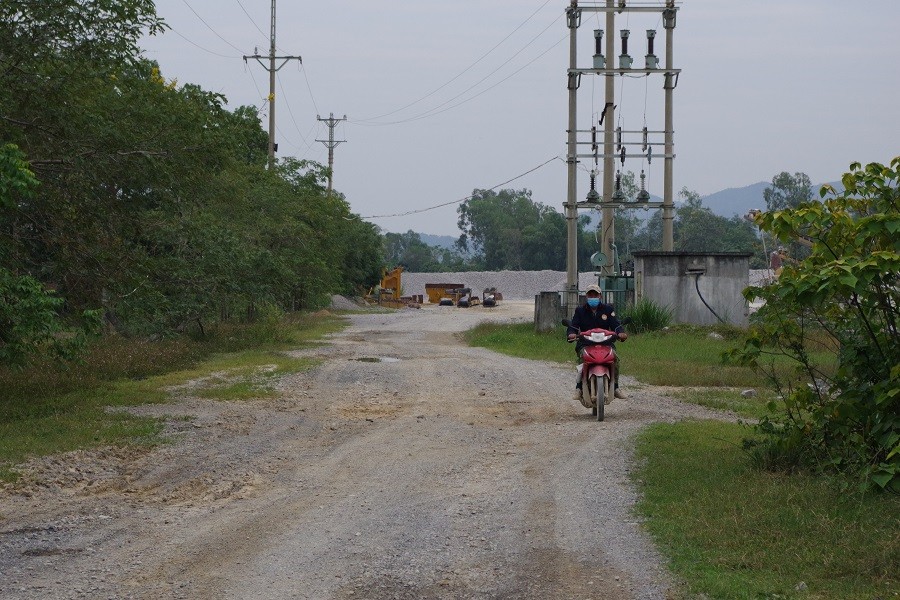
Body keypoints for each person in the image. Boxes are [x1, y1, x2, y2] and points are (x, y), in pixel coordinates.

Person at [566, 284, 628, 401]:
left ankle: (615, 387)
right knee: (582, 358)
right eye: (590, 294)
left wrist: (621, 333)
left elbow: (616, 325)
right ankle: (578, 388)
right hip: (585, 343)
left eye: (595, 294)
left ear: (600, 296)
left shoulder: (608, 310)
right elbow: (573, 326)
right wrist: (571, 334)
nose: (593, 297)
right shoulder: (580, 311)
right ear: (586, 296)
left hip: (606, 342)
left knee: (615, 358)